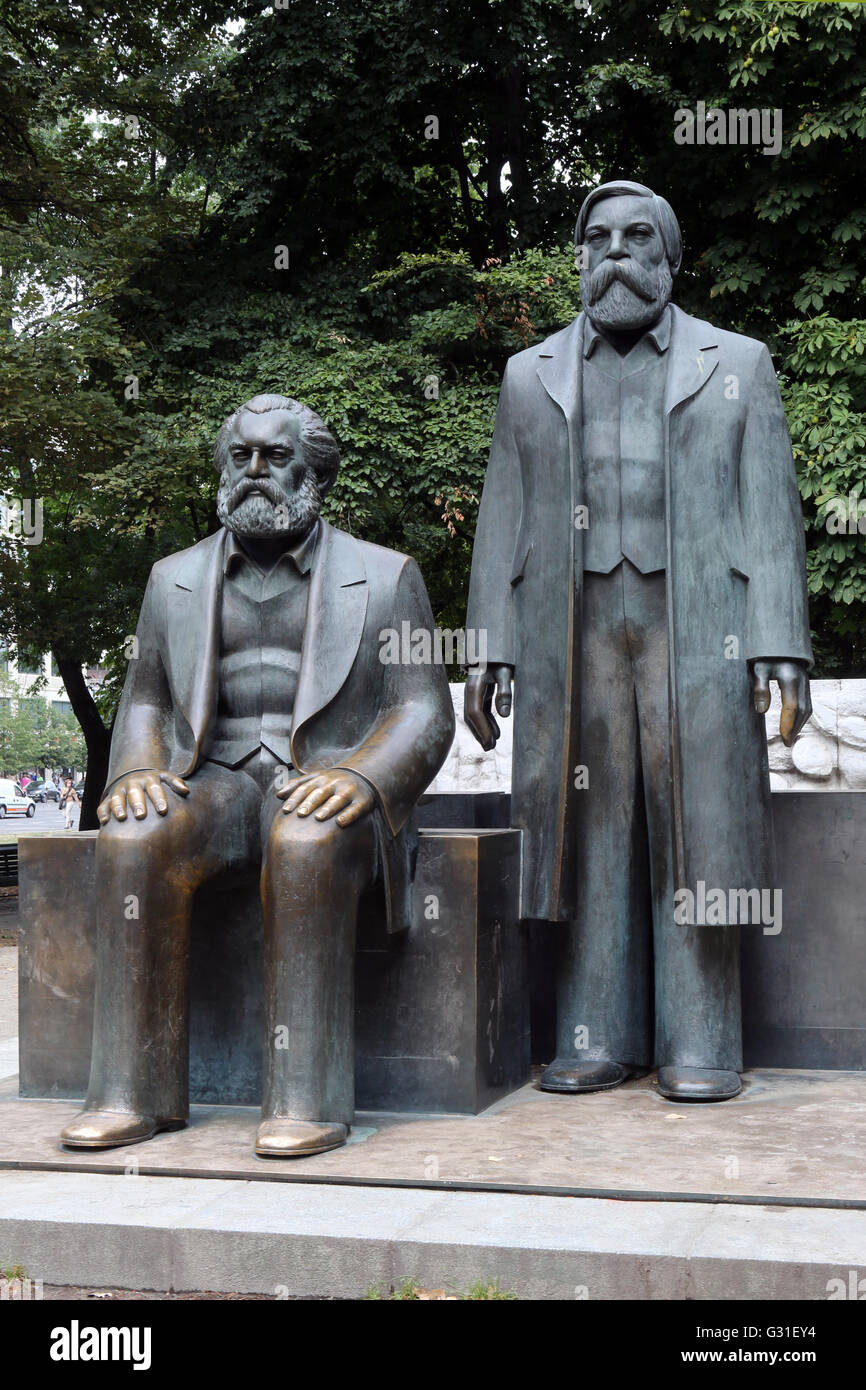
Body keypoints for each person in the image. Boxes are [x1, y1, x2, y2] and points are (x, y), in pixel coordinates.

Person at [465, 180, 812, 1104]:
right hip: (568, 630)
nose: (615, 252)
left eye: (636, 238)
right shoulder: (527, 374)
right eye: (598, 238)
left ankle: (700, 1041)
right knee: (588, 828)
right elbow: (502, 513)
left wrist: (781, 637)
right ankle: (595, 1035)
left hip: (699, 625)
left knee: (696, 821)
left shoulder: (737, 360)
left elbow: (770, 508)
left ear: (669, 260)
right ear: (580, 258)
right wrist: (488, 644)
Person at [60, 394, 454, 1158]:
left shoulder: (386, 576)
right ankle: (127, 1093)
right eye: (240, 457)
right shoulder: (171, 579)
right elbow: (143, 699)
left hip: (326, 783)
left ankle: (305, 1098)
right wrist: (136, 770)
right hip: (215, 783)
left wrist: (366, 779)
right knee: (134, 837)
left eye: (275, 456)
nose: (255, 471)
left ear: (315, 470)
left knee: (306, 839)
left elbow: (422, 713)